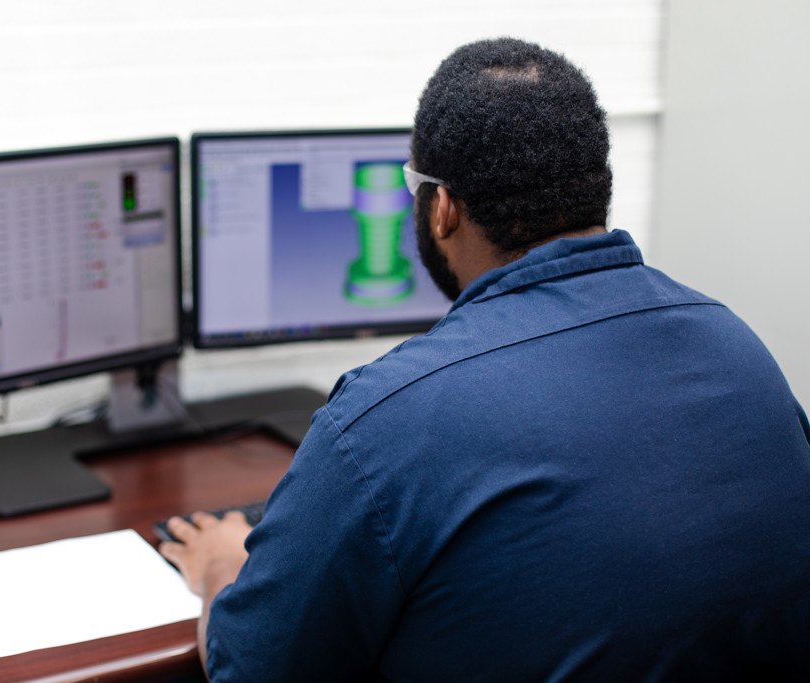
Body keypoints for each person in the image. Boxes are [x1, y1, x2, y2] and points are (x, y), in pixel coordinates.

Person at [159, 38, 810, 681]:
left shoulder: (387, 422)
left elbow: (253, 666)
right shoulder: (740, 347)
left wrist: (219, 564)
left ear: (442, 209)